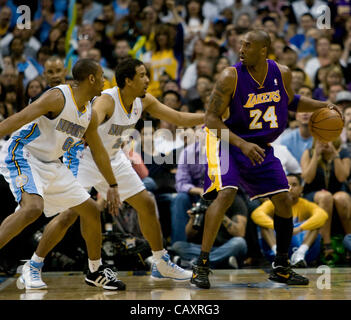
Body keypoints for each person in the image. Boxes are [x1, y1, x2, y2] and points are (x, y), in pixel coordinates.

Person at [26, 58, 204, 286]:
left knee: (147, 203)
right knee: (69, 215)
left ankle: (160, 262)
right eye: (142, 75)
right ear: (128, 81)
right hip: (86, 160)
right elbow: (90, 125)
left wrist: (208, 117)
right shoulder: (106, 101)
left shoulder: (144, 100)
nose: (148, 79)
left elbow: (178, 118)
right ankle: (34, 265)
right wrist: (109, 182)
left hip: (114, 158)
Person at [190, 29, 342, 289]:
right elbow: (211, 119)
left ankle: (282, 266)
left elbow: (291, 101)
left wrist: (321, 105)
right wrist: (242, 144)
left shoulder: (281, 72)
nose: (241, 49)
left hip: (260, 146)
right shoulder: (230, 76)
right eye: (241, 44)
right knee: (226, 193)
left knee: (284, 199)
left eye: (248, 45)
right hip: (228, 142)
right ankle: (201, 265)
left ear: (263, 50)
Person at [0, 59, 123, 290]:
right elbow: (19, 118)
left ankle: (95, 271)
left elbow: (98, 151)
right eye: (102, 77)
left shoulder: (88, 111)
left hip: (51, 164)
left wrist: (113, 185)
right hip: (24, 153)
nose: (105, 82)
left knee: (90, 211)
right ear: (92, 78)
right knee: (33, 208)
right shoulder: (58, 97)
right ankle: (30, 265)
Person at [252, 173, 328, 267]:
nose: (290, 188)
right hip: (279, 243)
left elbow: (322, 215)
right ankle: (277, 255)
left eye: (294, 185)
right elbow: (257, 214)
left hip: (302, 248)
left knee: (317, 224)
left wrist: (300, 228)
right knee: (263, 224)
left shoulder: (306, 204)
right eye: (287, 185)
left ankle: (300, 254)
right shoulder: (273, 204)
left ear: (301, 188)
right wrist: (282, 228)